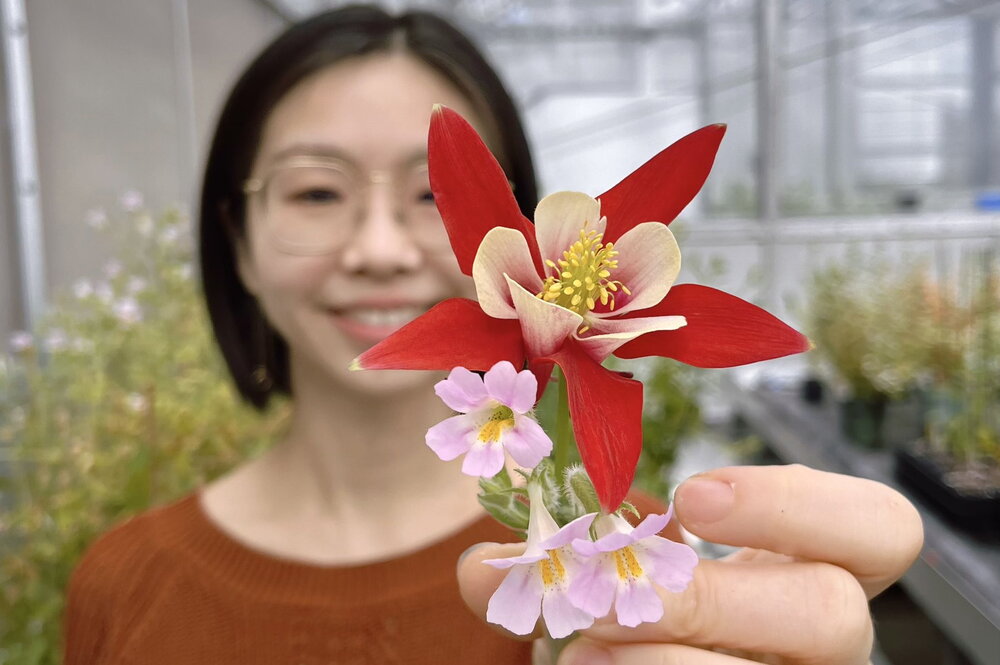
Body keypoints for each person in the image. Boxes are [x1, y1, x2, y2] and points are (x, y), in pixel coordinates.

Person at [64, 5, 924, 665]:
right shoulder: (124, 585)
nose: (379, 250)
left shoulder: (616, 549)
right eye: (317, 191)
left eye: (431, 195)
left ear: (520, 215)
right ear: (237, 242)